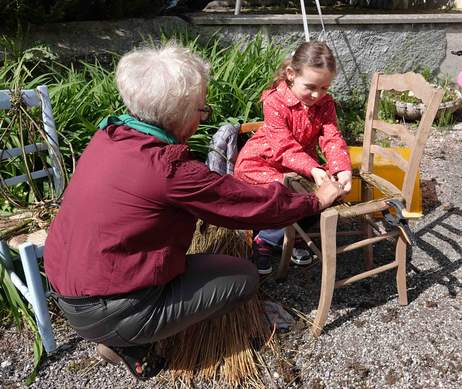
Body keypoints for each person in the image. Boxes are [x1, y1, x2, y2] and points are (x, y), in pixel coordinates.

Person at [44, 43, 343, 380]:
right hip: (111, 309)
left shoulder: (109, 136)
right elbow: (247, 204)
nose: (203, 117)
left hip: (69, 291)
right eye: (202, 110)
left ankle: (123, 329)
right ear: (179, 113)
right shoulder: (169, 170)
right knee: (243, 277)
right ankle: (131, 340)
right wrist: (314, 200)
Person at [234, 41, 352, 275]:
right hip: (264, 161)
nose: (317, 94)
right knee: (286, 192)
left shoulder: (324, 103)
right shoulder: (274, 101)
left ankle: (293, 233)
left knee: (322, 192)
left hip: (300, 165)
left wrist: (342, 168)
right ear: (291, 74)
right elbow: (284, 148)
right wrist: (314, 170)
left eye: (325, 88)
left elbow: (332, 137)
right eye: (310, 86)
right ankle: (266, 240)